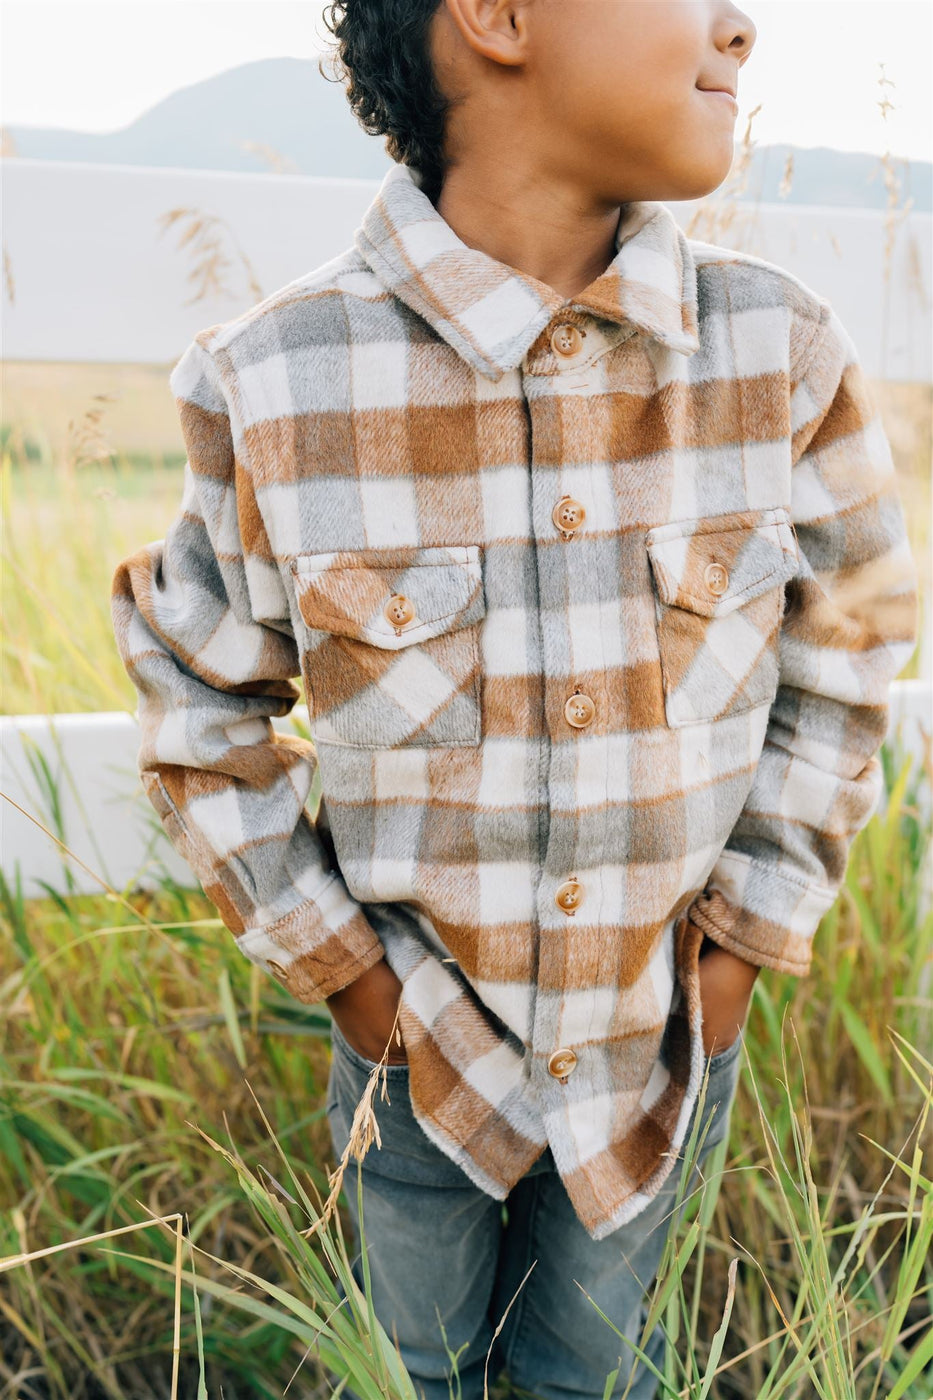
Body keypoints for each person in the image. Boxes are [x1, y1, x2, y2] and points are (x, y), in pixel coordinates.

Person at [110, 1, 920, 1395]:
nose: (737, 24)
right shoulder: (279, 378)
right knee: (400, 1368)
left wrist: (740, 946)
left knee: (598, 1370)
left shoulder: (771, 354)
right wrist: (346, 974)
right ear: (495, 18)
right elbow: (201, 704)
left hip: (664, 1040)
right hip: (411, 1049)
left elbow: (851, 641)